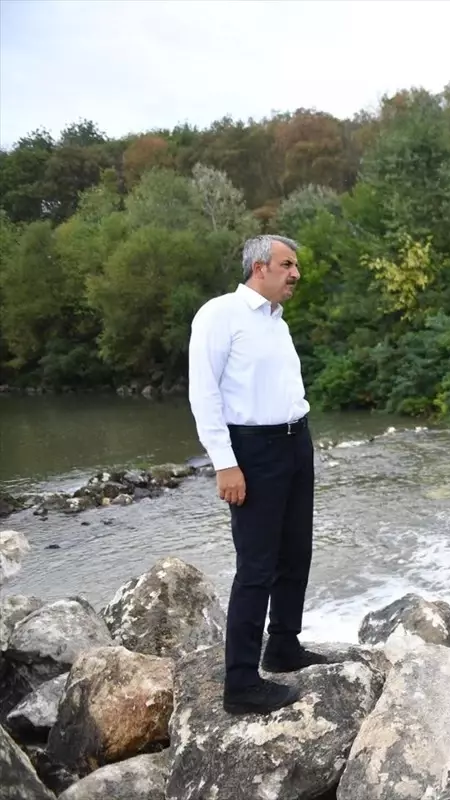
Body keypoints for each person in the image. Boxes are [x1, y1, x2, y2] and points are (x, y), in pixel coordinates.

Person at [187, 234, 328, 715]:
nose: (296, 274)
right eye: (288, 265)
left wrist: (301, 445)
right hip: (253, 450)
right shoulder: (220, 314)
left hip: (294, 442)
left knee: (297, 551)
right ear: (259, 267)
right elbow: (203, 394)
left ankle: (283, 646)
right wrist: (225, 462)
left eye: (297, 266)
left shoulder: (276, 321)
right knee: (256, 567)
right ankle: (242, 683)